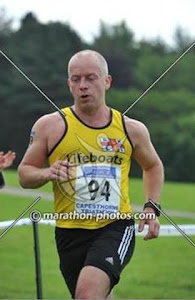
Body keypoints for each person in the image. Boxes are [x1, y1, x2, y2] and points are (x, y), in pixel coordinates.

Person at [18, 50, 164, 299]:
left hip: (115, 227)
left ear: (107, 81)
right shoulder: (49, 126)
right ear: (69, 84)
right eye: (76, 79)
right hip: (69, 231)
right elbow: (24, 174)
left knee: (88, 294)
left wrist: (151, 206)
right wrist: (47, 173)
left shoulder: (132, 129)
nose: (83, 86)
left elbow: (153, 166)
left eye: (91, 78)